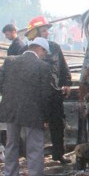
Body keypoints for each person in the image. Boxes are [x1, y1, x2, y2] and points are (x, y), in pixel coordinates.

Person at [0, 37, 57, 176]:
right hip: (34, 113)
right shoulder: (43, 66)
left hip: (11, 110)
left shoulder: (10, 60)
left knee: (11, 145)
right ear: (40, 49)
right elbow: (46, 95)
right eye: (44, 53)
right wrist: (47, 117)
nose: (44, 56)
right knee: (34, 148)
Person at [23, 16, 72, 164]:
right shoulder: (26, 51)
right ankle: (32, 156)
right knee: (34, 126)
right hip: (35, 95)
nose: (47, 33)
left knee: (57, 124)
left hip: (54, 92)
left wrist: (67, 83)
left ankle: (58, 154)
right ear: (35, 33)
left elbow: (62, 66)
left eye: (46, 30)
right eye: (43, 30)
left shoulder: (54, 47)